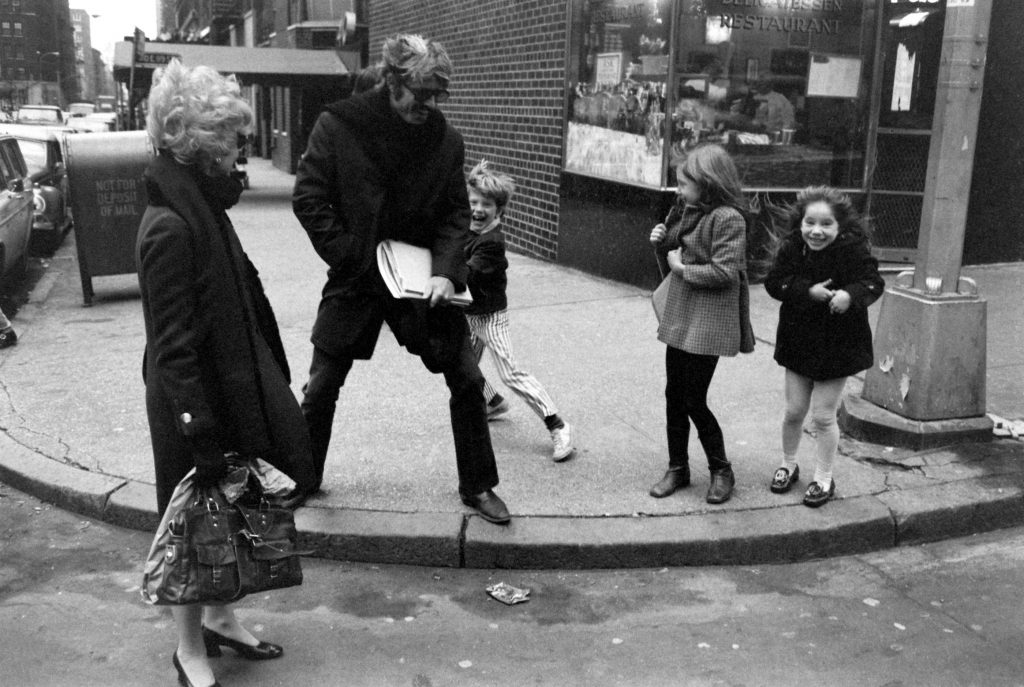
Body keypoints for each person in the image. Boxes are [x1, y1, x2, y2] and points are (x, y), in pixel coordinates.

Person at [136, 60, 317, 687]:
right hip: (192, 399)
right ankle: (189, 647)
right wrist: (198, 430)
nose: (242, 150)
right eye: (235, 140)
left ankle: (220, 619)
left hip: (225, 387)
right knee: (189, 522)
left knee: (226, 514)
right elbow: (172, 348)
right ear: (203, 143)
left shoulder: (202, 209)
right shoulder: (171, 224)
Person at [292, 34, 511, 525]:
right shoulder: (339, 125)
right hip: (358, 276)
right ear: (392, 81)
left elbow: (457, 211)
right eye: (422, 94)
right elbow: (308, 198)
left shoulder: (445, 140)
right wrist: (351, 256)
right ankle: (303, 477)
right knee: (322, 383)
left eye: (438, 97)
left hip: (421, 285)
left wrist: (446, 274)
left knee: (467, 380)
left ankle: (478, 485)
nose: (429, 106)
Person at [647, 143, 755, 504]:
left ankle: (721, 469)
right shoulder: (686, 210)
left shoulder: (728, 218)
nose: (679, 191)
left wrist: (680, 267)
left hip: (710, 318)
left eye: (684, 184)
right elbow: (673, 261)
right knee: (672, 395)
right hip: (683, 312)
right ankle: (678, 467)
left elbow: (725, 272)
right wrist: (661, 244)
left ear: (708, 183)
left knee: (693, 397)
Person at [764, 186, 884, 507]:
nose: (816, 231)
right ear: (800, 223)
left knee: (823, 416)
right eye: (810, 223)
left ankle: (823, 477)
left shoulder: (854, 249)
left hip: (838, 345)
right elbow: (775, 282)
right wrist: (806, 291)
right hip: (799, 340)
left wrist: (850, 296)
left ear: (840, 226)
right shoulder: (793, 247)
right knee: (793, 412)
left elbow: (873, 282)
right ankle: (788, 464)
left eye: (826, 224)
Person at [464, 160, 575, 462]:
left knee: (511, 373)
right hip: (468, 313)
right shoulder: (469, 227)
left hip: (490, 318)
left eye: (485, 204)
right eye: (473, 201)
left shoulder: (491, 243)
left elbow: (465, 274)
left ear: (499, 210)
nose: (477, 209)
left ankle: (558, 424)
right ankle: (493, 402)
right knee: (461, 366)